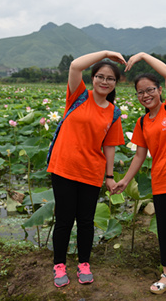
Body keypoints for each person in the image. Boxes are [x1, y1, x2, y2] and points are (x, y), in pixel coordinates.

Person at [112, 52, 166, 301]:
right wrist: (125, 181)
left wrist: (141, 56)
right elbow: (140, 156)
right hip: (160, 183)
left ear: (159, 90)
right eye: (140, 92)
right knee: (165, 232)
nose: (145, 95)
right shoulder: (141, 122)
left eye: (149, 90)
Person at [47, 50, 126, 287]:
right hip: (64, 168)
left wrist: (110, 177)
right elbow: (74, 66)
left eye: (110, 78)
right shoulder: (79, 96)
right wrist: (106, 54)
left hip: (91, 172)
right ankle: (59, 264)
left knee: (85, 221)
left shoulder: (113, 113)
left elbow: (110, 147)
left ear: (115, 84)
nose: (104, 81)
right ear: (93, 78)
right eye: (100, 76)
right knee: (63, 219)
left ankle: (84, 263)